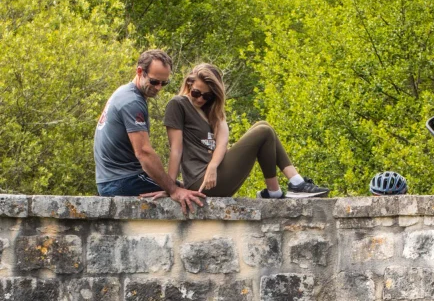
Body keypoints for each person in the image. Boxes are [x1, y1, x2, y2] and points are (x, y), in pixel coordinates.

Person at [161, 63, 329, 199]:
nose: (200, 99)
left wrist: (212, 166)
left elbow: (222, 142)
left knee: (264, 125)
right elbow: (176, 150)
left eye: (207, 96)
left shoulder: (211, 109)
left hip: (215, 174)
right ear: (189, 84)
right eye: (196, 92)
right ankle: (286, 187)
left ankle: (280, 189)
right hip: (201, 182)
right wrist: (171, 188)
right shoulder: (178, 104)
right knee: (263, 131)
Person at [93, 50, 205, 214]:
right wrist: (173, 190)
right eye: (154, 81)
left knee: (183, 187)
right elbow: (144, 153)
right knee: (194, 195)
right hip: (122, 181)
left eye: (163, 83)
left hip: (110, 180)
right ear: (140, 72)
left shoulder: (124, 92)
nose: (158, 88)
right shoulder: (132, 102)